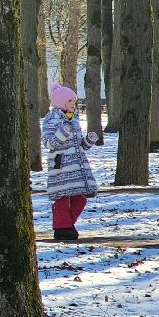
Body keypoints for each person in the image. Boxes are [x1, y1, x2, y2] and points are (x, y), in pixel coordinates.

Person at [42, 84, 99, 241]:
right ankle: (62, 230)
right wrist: (62, 133)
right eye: (70, 100)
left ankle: (66, 226)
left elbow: (79, 144)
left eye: (75, 100)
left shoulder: (73, 118)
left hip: (78, 165)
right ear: (60, 102)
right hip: (61, 165)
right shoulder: (51, 118)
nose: (74, 103)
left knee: (80, 198)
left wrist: (89, 141)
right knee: (62, 198)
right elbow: (48, 143)